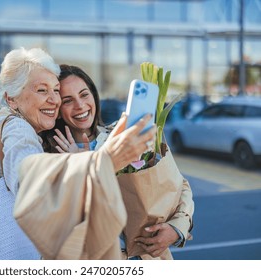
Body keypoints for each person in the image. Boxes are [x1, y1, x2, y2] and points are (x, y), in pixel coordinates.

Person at [0, 48, 156, 260]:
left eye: (56, 90)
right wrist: (104, 160)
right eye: (41, 90)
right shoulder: (16, 128)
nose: (54, 100)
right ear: (11, 99)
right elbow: (32, 183)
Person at [40, 64, 194, 260]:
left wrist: (177, 228)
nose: (80, 105)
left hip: (151, 257)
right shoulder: (49, 157)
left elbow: (180, 186)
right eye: (67, 100)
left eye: (84, 94)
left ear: (94, 96)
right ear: (58, 109)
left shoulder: (125, 135)